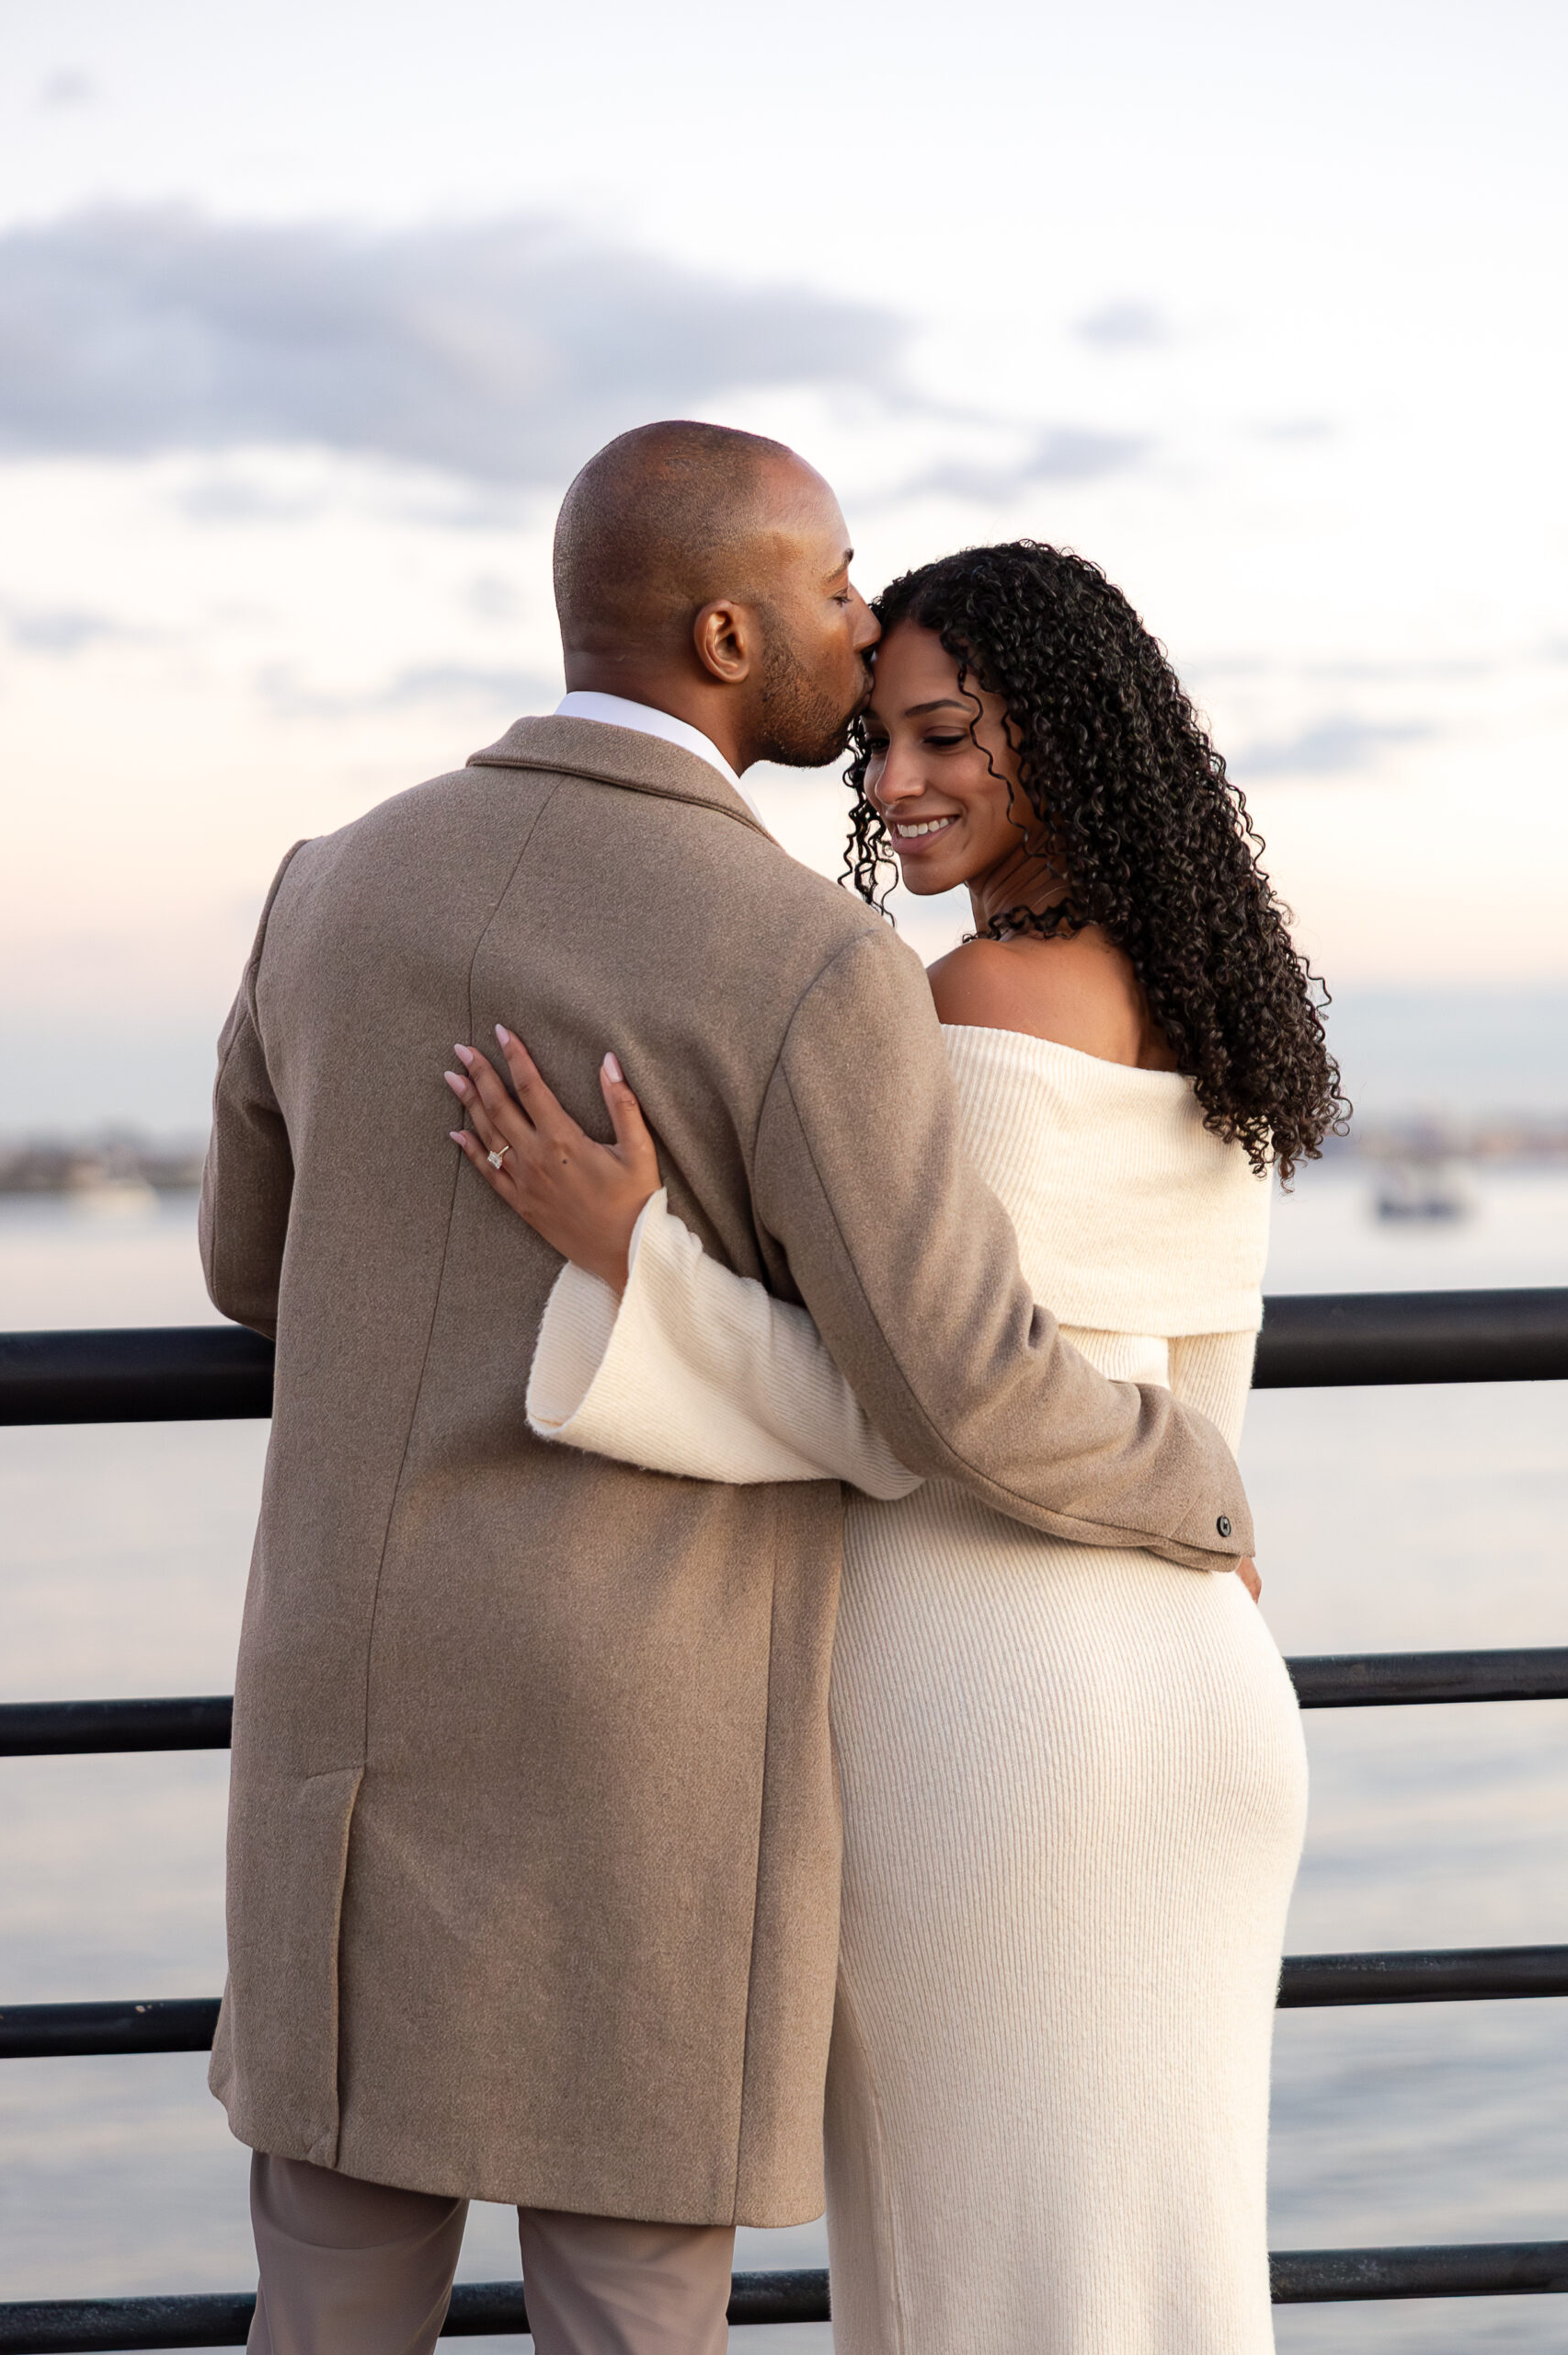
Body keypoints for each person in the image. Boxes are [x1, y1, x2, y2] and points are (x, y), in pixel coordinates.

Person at [202, 430, 1255, 2355]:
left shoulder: (321, 884)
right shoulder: (810, 958)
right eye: (841, 590)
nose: (862, 642)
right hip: (650, 1739)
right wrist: (1198, 1488)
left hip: (341, 1722)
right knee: (628, 2305)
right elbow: (953, 1378)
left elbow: (246, 1276)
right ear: (721, 626)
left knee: (327, 2297)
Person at [444, 541, 1348, 2354]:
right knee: (1154, 2279)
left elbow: (923, 1407)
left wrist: (634, 1256)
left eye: (944, 733)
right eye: (870, 742)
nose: (892, 782)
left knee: (980, 2285)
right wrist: (1200, 1499)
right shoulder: (1209, 1008)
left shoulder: (962, 1011)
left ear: (1070, 738)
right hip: (1195, 1688)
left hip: (995, 1710)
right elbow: (1164, 1388)